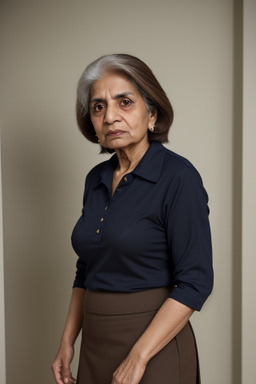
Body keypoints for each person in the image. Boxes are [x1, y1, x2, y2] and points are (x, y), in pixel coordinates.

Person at [52, 54, 213, 384]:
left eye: (124, 102)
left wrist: (138, 357)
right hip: (95, 342)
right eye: (98, 107)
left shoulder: (178, 177)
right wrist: (67, 342)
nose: (110, 116)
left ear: (151, 113)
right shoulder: (95, 179)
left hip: (154, 345)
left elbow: (196, 281)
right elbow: (87, 268)